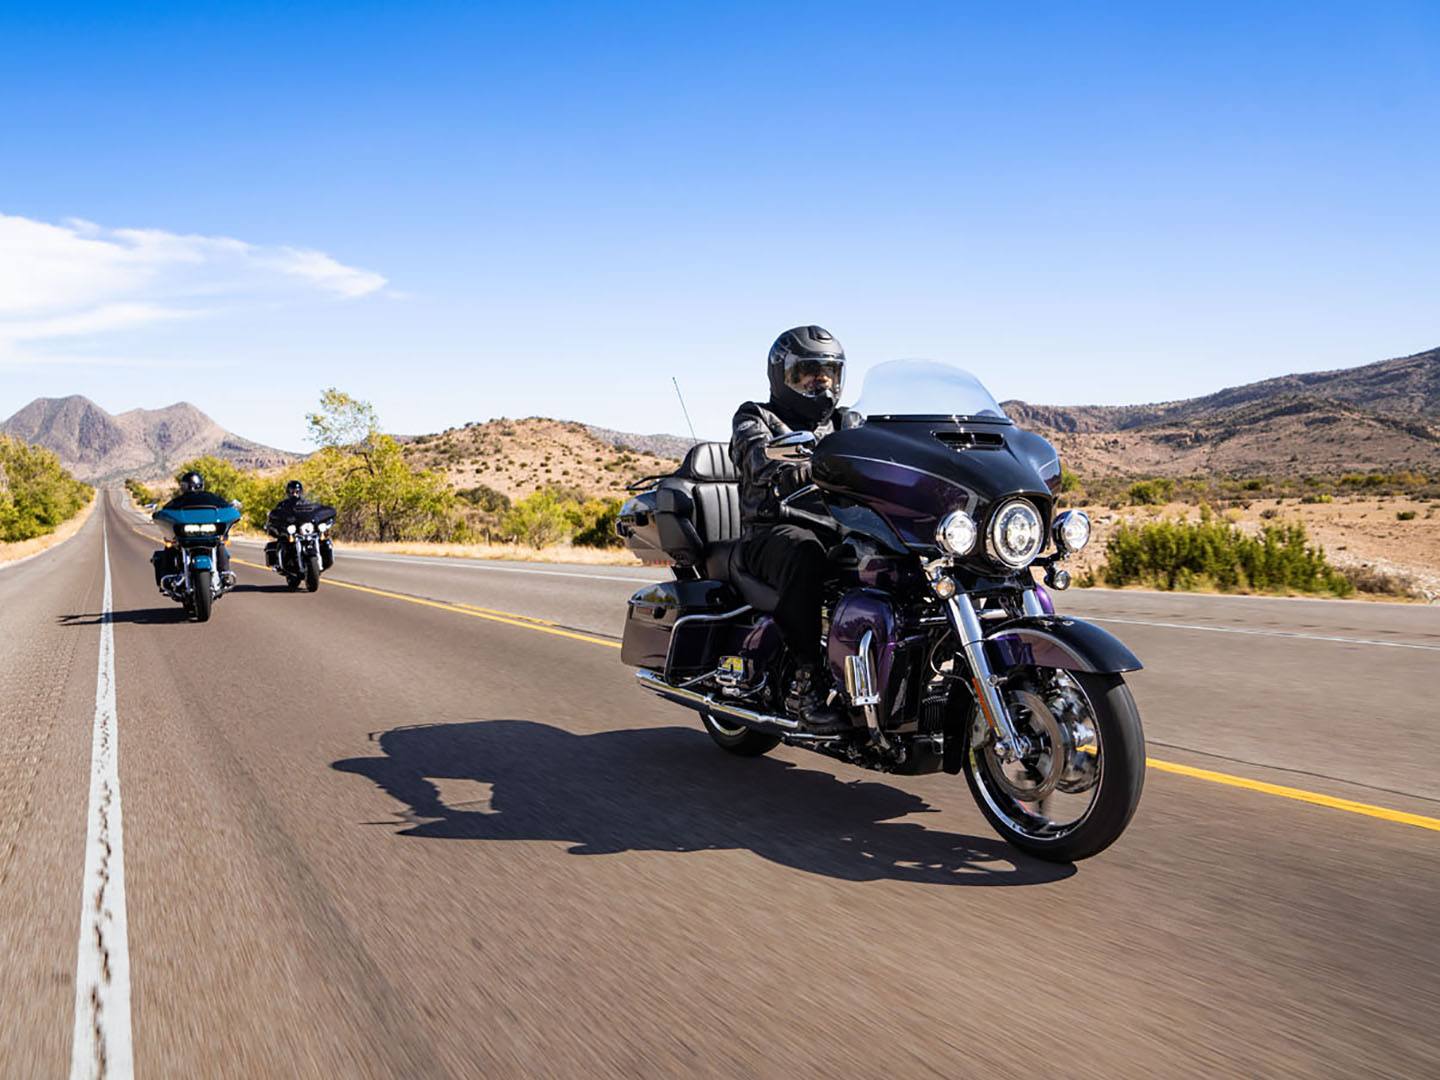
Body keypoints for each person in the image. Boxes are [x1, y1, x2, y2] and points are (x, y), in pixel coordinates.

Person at [729, 325, 861, 734]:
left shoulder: (847, 422)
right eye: (808, 372)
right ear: (783, 376)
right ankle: (809, 683)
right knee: (806, 554)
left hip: (838, 529)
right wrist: (795, 464)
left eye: (828, 373)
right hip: (771, 531)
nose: (820, 382)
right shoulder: (756, 416)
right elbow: (756, 458)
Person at [152, 470, 234, 583]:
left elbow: (228, 509)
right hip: (186, 537)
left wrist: (232, 513)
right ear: (201, 485)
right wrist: (159, 515)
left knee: (219, 542)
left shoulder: (185, 500)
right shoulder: (209, 498)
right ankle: (168, 577)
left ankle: (224, 574)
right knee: (171, 544)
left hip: (205, 536)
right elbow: (164, 512)